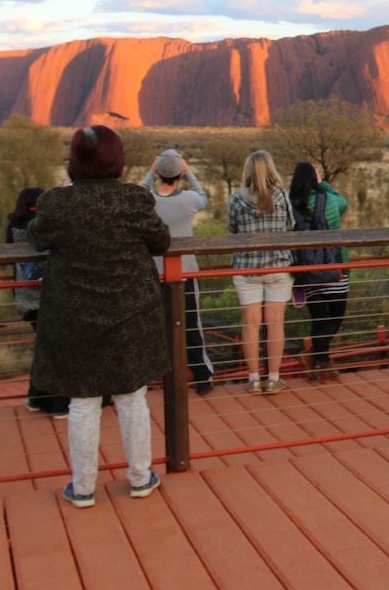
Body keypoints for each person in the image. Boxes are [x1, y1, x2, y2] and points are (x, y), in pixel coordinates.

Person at [27, 125, 170, 508]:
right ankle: (141, 478)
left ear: (75, 161)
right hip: (130, 311)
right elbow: (161, 241)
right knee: (132, 397)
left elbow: (36, 237)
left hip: (75, 316)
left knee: (83, 400)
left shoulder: (56, 203)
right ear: (117, 161)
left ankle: (84, 487)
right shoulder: (134, 200)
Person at [141, 149, 215, 395]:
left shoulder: (147, 201)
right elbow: (204, 197)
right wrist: (189, 171)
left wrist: (150, 173)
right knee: (191, 325)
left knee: (154, 327)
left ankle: (152, 377)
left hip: (154, 275)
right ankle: (202, 376)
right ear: (179, 174)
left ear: (159, 172)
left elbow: (136, 195)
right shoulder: (188, 200)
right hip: (185, 275)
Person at [227, 150, 294, 394]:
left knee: (251, 324)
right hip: (277, 266)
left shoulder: (236, 198)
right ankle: (274, 378)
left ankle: (254, 379)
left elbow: (232, 228)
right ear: (271, 170)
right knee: (275, 323)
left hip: (247, 268)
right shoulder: (281, 196)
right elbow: (291, 225)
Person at [5, 187, 70, 417]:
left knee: (45, 347)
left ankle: (36, 397)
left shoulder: (13, 226)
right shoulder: (47, 222)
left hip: (25, 297)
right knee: (58, 350)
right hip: (51, 294)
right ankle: (58, 404)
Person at [288, 161, 349, 381]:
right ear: (315, 179)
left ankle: (316, 358)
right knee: (335, 317)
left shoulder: (289, 206)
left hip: (307, 271)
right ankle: (323, 363)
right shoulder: (331, 201)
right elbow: (344, 202)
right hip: (335, 267)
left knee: (319, 319)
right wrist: (323, 184)